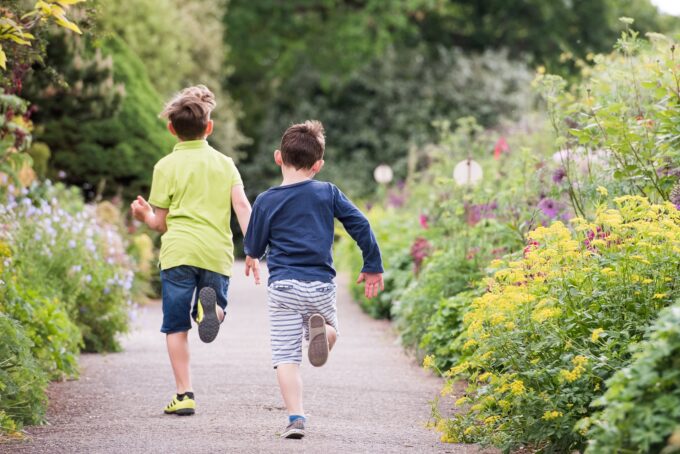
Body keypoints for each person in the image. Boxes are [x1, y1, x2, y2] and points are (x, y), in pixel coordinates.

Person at [243, 120, 384, 439]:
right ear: (318, 165)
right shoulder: (328, 192)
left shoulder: (266, 200)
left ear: (278, 157)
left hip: (283, 288)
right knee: (327, 325)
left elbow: (254, 244)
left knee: (285, 356)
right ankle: (327, 335)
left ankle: (295, 418)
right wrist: (372, 263)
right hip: (320, 284)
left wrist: (252, 255)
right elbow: (360, 224)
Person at [130, 85, 257, 416]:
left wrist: (144, 215)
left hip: (178, 253)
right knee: (214, 308)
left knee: (175, 326)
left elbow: (160, 223)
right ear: (210, 127)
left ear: (171, 128)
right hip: (215, 253)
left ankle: (184, 394)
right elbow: (242, 205)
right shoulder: (225, 164)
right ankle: (210, 313)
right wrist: (255, 247)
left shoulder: (165, 167)